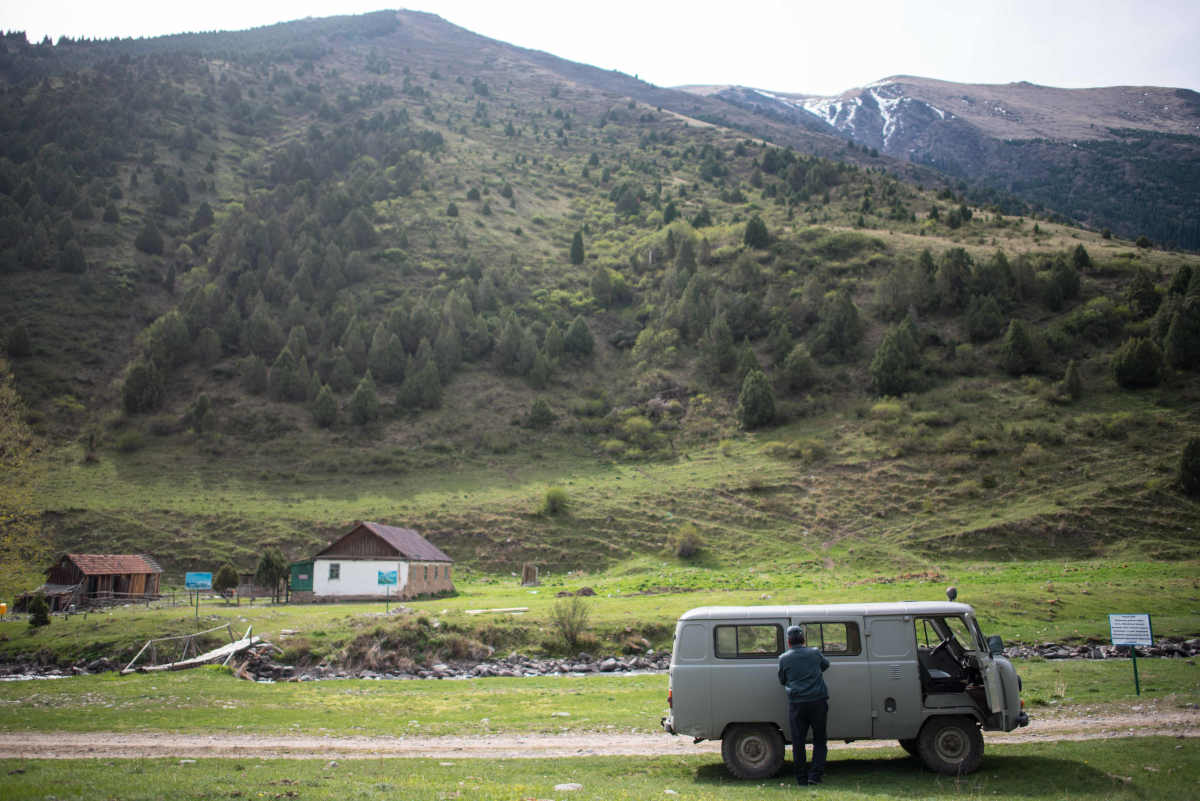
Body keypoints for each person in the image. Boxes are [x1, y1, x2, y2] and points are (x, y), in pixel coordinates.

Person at [777, 625, 830, 785]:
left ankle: (801, 779)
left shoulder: (784, 658)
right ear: (803, 639)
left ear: (788, 641)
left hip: (797, 703)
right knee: (820, 739)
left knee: (798, 741)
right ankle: (815, 775)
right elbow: (826, 665)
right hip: (818, 701)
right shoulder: (814, 653)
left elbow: (782, 680)